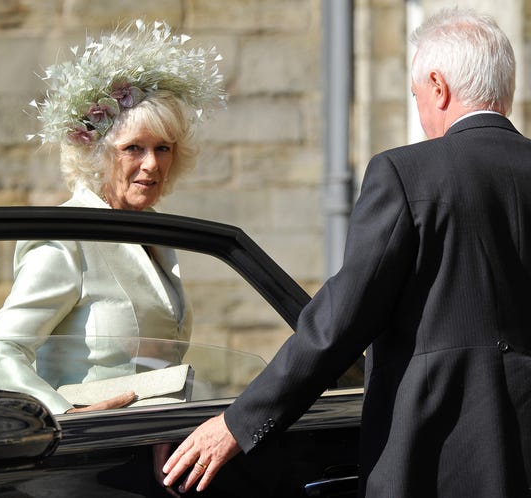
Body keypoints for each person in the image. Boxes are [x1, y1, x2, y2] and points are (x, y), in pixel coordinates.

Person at [162, 8, 531, 497]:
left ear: (438, 87)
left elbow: (340, 321)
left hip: (436, 458)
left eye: (417, 96)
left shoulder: (406, 174)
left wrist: (239, 422)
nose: (421, 112)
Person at [0, 20, 225, 415]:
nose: (152, 164)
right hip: (91, 444)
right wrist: (62, 415)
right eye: (133, 148)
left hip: (156, 438)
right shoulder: (67, 237)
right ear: (97, 154)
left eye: (163, 148)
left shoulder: (155, 234)